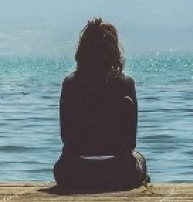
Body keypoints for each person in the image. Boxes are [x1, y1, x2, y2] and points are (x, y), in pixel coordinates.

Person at [53, 18, 149, 191]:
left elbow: (65, 137)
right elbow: (131, 142)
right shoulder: (125, 84)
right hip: (119, 172)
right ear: (114, 51)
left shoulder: (70, 84)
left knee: (61, 165)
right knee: (140, 158)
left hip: (74, 172)